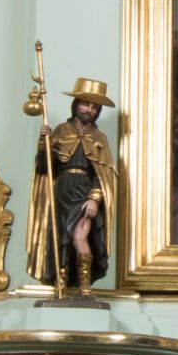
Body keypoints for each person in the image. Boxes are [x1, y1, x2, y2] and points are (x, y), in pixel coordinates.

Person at [27, 79, 118, 297]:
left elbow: (103, 174)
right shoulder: (60, 130)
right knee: (60, 238)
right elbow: (44, 168)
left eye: (94, 107)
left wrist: (94, 198)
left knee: (79, 236)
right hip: (61, 192)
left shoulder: (99, 138)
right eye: (85, 104)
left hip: (84, 192)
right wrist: (43, 146)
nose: (89, 109)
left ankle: (84, 285)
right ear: (76, 104)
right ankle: (61, 282)